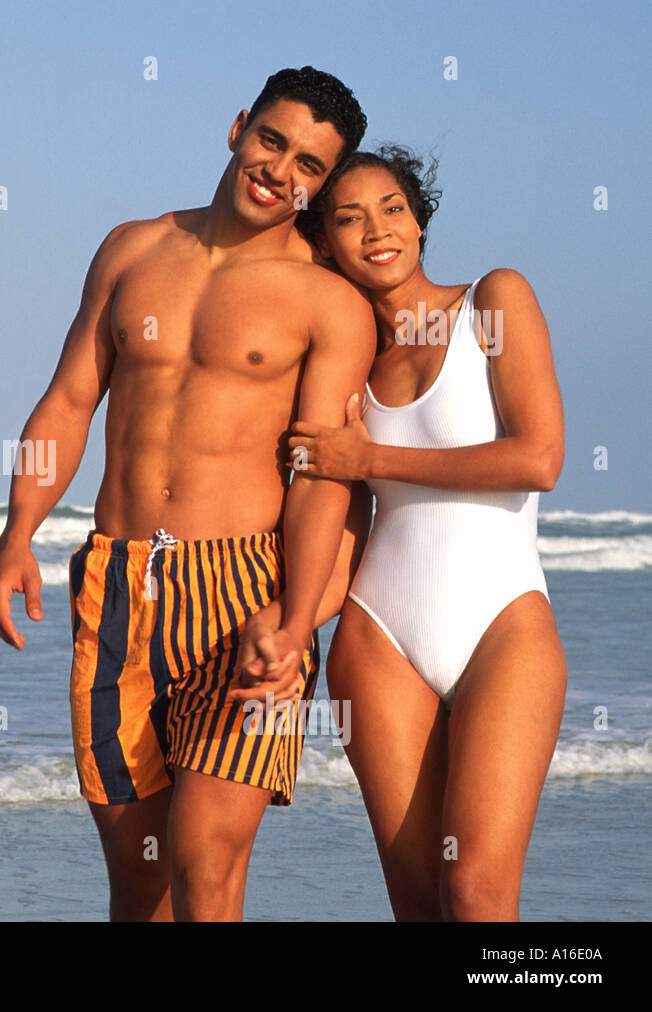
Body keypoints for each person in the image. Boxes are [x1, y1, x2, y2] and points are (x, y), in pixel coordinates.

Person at [0, 67, 373, 921]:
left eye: (309, 164)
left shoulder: (330, 302)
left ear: (320, 184)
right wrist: (18, 537)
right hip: (116, 585)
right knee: (139, 873)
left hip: (250, 594)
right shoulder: (130, 248)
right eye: (273, 140)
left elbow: (322, 475)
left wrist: (300, 617)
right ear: (239, 128)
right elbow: (70, 400)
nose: (281, 170)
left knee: (206, 864)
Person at [267, 145, 567, 920]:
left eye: (392, 207)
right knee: (420, 902)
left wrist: (369, 454)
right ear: (324, 241)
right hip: (378, 637)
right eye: (350, 218)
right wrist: (295, 621)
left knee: (476, 890)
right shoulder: (346, 365)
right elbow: (346, 515)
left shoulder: (491, 303)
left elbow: (537, 457)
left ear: (420, 220)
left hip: (503, 624)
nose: (377, 231)